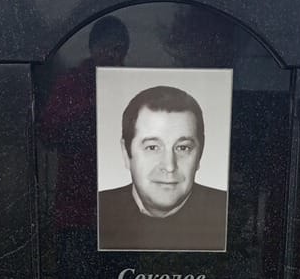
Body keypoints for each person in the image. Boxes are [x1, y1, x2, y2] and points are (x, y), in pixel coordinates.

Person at [98, 84, 228, 251]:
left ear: (199, 155)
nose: (169, 166)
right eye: (152, 147)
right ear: (126, 153)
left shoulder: (228, 212)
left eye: (183, 148)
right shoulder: (98, 210)